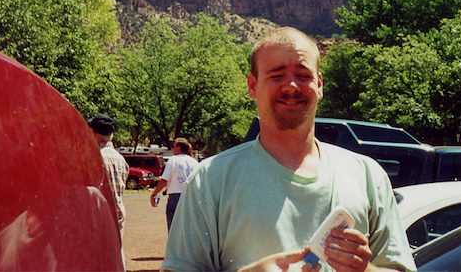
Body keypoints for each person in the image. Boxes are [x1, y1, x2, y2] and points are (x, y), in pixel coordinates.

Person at [162, 27, 416, 272]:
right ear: (252, 85)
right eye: (276, 75)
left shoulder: (368, 176)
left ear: (319, 85)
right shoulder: (210, 180)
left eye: (304, 75)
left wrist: (365, 270)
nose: (291, 86)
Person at [87, 114, 129, 237]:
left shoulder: (95, 158)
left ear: (94, 133)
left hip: (99, 217)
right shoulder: (120, 159)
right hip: (118, 215)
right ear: (111, 135)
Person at [150, 137, 199, 230]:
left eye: (174, 146)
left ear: (179, 148)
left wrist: (155, 193)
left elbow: (164, 180)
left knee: (174, 228)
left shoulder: (173, 160)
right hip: (192, 198)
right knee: (189, 228)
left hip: (176, 197)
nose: (173, 149)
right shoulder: (194, 162)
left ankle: (174, 244)